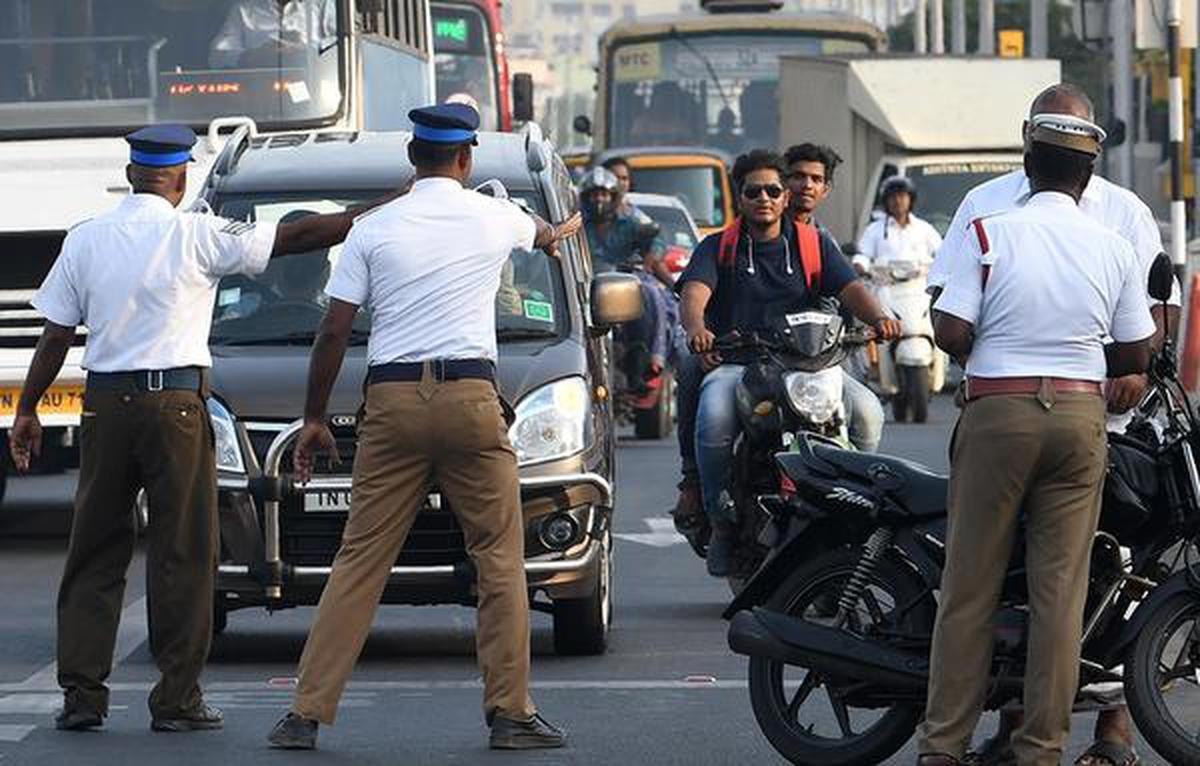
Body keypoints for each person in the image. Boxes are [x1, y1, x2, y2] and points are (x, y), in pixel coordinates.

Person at [6, 124, 381, 734]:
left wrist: (27, 411)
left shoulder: (86, 239)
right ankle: (177, 700)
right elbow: (299, 237)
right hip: (177, 407)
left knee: (94, 550)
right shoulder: (199, 234)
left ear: (131, 175)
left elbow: (55, 336)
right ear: (180, 178)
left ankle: (82, 696)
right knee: (183, 551)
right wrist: (376, 210)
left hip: (104, 407)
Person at [265, 103, 580, 752]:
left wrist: (316, 418)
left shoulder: (374, 229)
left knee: (360, 559)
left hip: (393, 403)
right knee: (496, 555)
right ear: (466, 160)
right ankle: (511, 712)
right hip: (470, 396)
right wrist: (562, 229)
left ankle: (305, 712)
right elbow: (547, 235)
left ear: (414, 157)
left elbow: (334, 330)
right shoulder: (495, 216)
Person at [928, 83, 1181, 766]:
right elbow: (1134, 351)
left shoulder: (987, 225)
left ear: (1026, 158)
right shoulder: (1112, 243)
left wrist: (983, 328)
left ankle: (944, 746)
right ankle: (1042, 749)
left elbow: (951, 331)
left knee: (969, 589)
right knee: (1060, 595)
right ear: (1087, 169)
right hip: (1079, 417)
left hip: (998, 410)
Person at [677, 149, 900, 577]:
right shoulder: (716, 248)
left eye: (773, 190)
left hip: (808, 366)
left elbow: (851, 288)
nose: (764, 198)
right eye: (753, 191)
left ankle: (857, 505)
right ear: (738, 198)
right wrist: (697, 328)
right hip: (738, 365)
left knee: (869, 413)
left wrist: (881, 318)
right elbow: (694, 294)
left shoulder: (814, 246)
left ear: (784, 198)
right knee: (713, 415)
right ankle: (720, 518)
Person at [581, 166, 671, 381]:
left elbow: (656, 237)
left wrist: (653, 253)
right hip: (585, 281)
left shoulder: (630, 220)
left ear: (613, 197)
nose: (599, 200)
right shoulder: (578, 222)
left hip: (624, 279)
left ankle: (654, 358)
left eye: (603, 194)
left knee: (652, 293)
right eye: (594, 194)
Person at [209, 0, 337, 69]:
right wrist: (254, 55)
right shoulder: (243, 10)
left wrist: (308, 51)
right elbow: (216, 57)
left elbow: (345, 46)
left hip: (316, 90)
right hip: (260, 91)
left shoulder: (323, 6)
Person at [858, 176, 942, 266]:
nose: (897, 201)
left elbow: (942, 252)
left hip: (920, 279)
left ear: (911, 199)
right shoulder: (874, 230)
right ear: (886, 201)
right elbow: (863, 256)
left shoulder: (925, 229)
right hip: (884, 279)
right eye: (893, 197)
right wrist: (860, 265)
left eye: (902, 196)